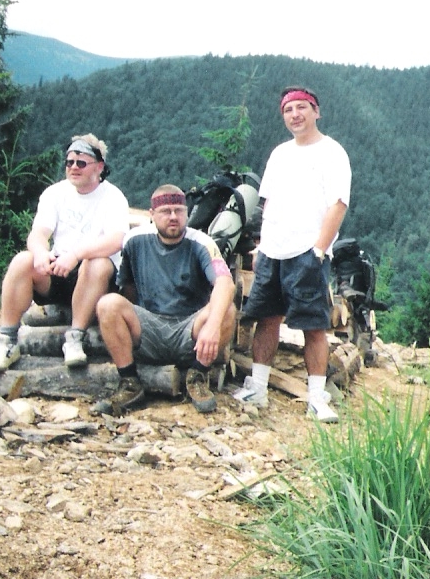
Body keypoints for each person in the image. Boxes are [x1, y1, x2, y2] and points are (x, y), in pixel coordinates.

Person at [235, 86, 351, 423]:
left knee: (313, 325)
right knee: (267, 318)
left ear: (317, 112)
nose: (295, 115)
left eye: (302, 107)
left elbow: (338, 204)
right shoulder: (280, 154)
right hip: (273, 250)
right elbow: (268, 203)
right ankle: (258, 387)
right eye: (288, 109)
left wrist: (319, 250)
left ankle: (316, 398)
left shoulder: (332, 153)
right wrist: (262, 246)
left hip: (308, 251)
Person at [0, 133, 130, 373]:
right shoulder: (55, 193)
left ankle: (75, 337)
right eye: (69, 162)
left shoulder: (113, 197)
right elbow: (38, 233)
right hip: (59, 268)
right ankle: (7, 340)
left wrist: (76, 254)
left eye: (81, 163)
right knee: (23, 260)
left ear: (99, 167)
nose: (74, 167)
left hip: (96, 279)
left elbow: (116, 240)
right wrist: (40, 253)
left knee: (98, 263)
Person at [96, 184, 237, 415]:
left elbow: (225, 282)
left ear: (186, 213)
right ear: (152, 214)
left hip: (189, 328)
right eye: (166, 211)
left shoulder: (202, 242)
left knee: (226, 309)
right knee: (108, 304)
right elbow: (128, 288)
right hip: (149, 326)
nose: (173, 217)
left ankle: (197, 376)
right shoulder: (134, 240)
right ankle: (130, 382)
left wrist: (212, 326)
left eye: (179, 211)